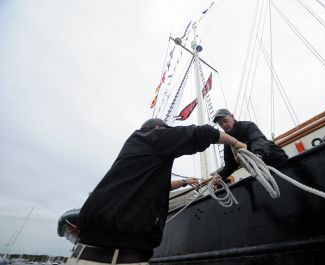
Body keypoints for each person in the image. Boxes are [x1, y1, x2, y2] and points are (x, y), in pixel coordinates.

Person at [67, 118, 246, 265]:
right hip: (120, 258)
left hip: (86, 254)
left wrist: (184, 182)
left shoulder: (136, 151)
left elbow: (156, 188)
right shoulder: (151, 136)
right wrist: (236, 143)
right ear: (158, 129)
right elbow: (202, 133)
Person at [212, 109, 288, 183]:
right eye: (221, 124)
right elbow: (230, 165)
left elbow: (258, 140)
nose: (224, 125)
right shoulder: (228, 143)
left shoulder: (247, 126)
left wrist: (257, 154)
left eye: (225, 121)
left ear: (232, 116)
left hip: (278, 161)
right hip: (261, 172)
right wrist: (220, 175)